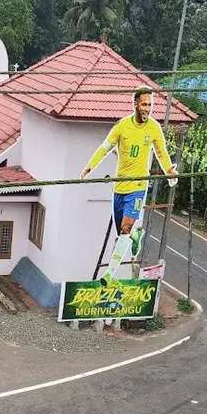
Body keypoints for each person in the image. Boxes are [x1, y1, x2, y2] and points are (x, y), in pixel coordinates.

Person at [80, 86, 178, 284]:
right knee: (122, 234)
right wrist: (90, 167)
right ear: (135, 104)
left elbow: (161, 153)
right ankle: (136, 237)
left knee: (125, 229)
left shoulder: (154, 128)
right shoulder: (122, 126)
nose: (147, 109)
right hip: (120, 188)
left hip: (139, 186)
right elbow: (104, 148)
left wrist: (169, 171)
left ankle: (108, 274)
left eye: (150, 105)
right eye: (144, 104)